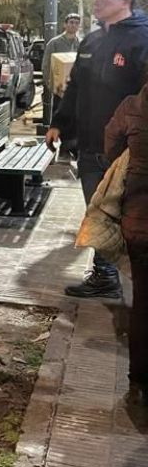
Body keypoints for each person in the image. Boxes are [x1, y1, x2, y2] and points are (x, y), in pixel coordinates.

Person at [46, 0, 148, 299]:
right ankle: (105, 276)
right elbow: (75, 87)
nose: (97, 4)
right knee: (98, 211)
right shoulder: (92, 40)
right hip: (90, 146)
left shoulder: (141, 40)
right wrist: (59, 123)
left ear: (126, 0)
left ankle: (119, 275)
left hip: (127, 151)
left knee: (126, 216)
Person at [104, 84, 148, 406]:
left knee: (143, 304)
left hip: (138, 223)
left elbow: (110, 142)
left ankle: (138, 384)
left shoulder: (133, 105)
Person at [41, 13, 81, 115]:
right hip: (59, 91)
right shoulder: (54, 43)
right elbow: (46, 66)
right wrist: (52, 86)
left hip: (77, 91)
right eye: (71, 22)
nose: (74, 25)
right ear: (65, 24)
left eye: (76, 23)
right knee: (58, 118)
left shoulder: (82, 44)